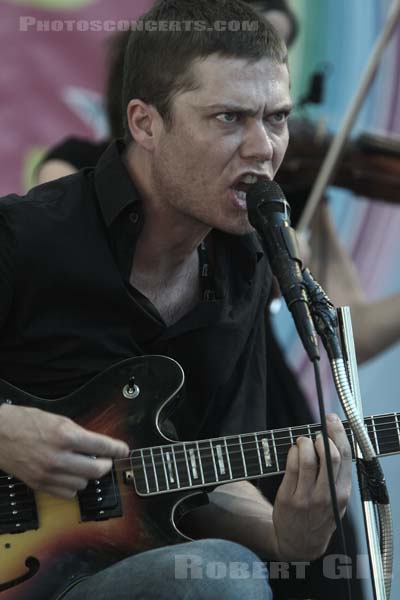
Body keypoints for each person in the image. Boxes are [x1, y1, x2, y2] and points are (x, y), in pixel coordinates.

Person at [0, 1, 353, 599]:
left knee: (225, 570)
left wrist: (286, 535)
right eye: (228, 118)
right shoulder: (29, 235)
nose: (262, 148)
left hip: (119, 575)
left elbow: (208, 481)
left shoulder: (248, 267)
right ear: (145, 123)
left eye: (277, 118)